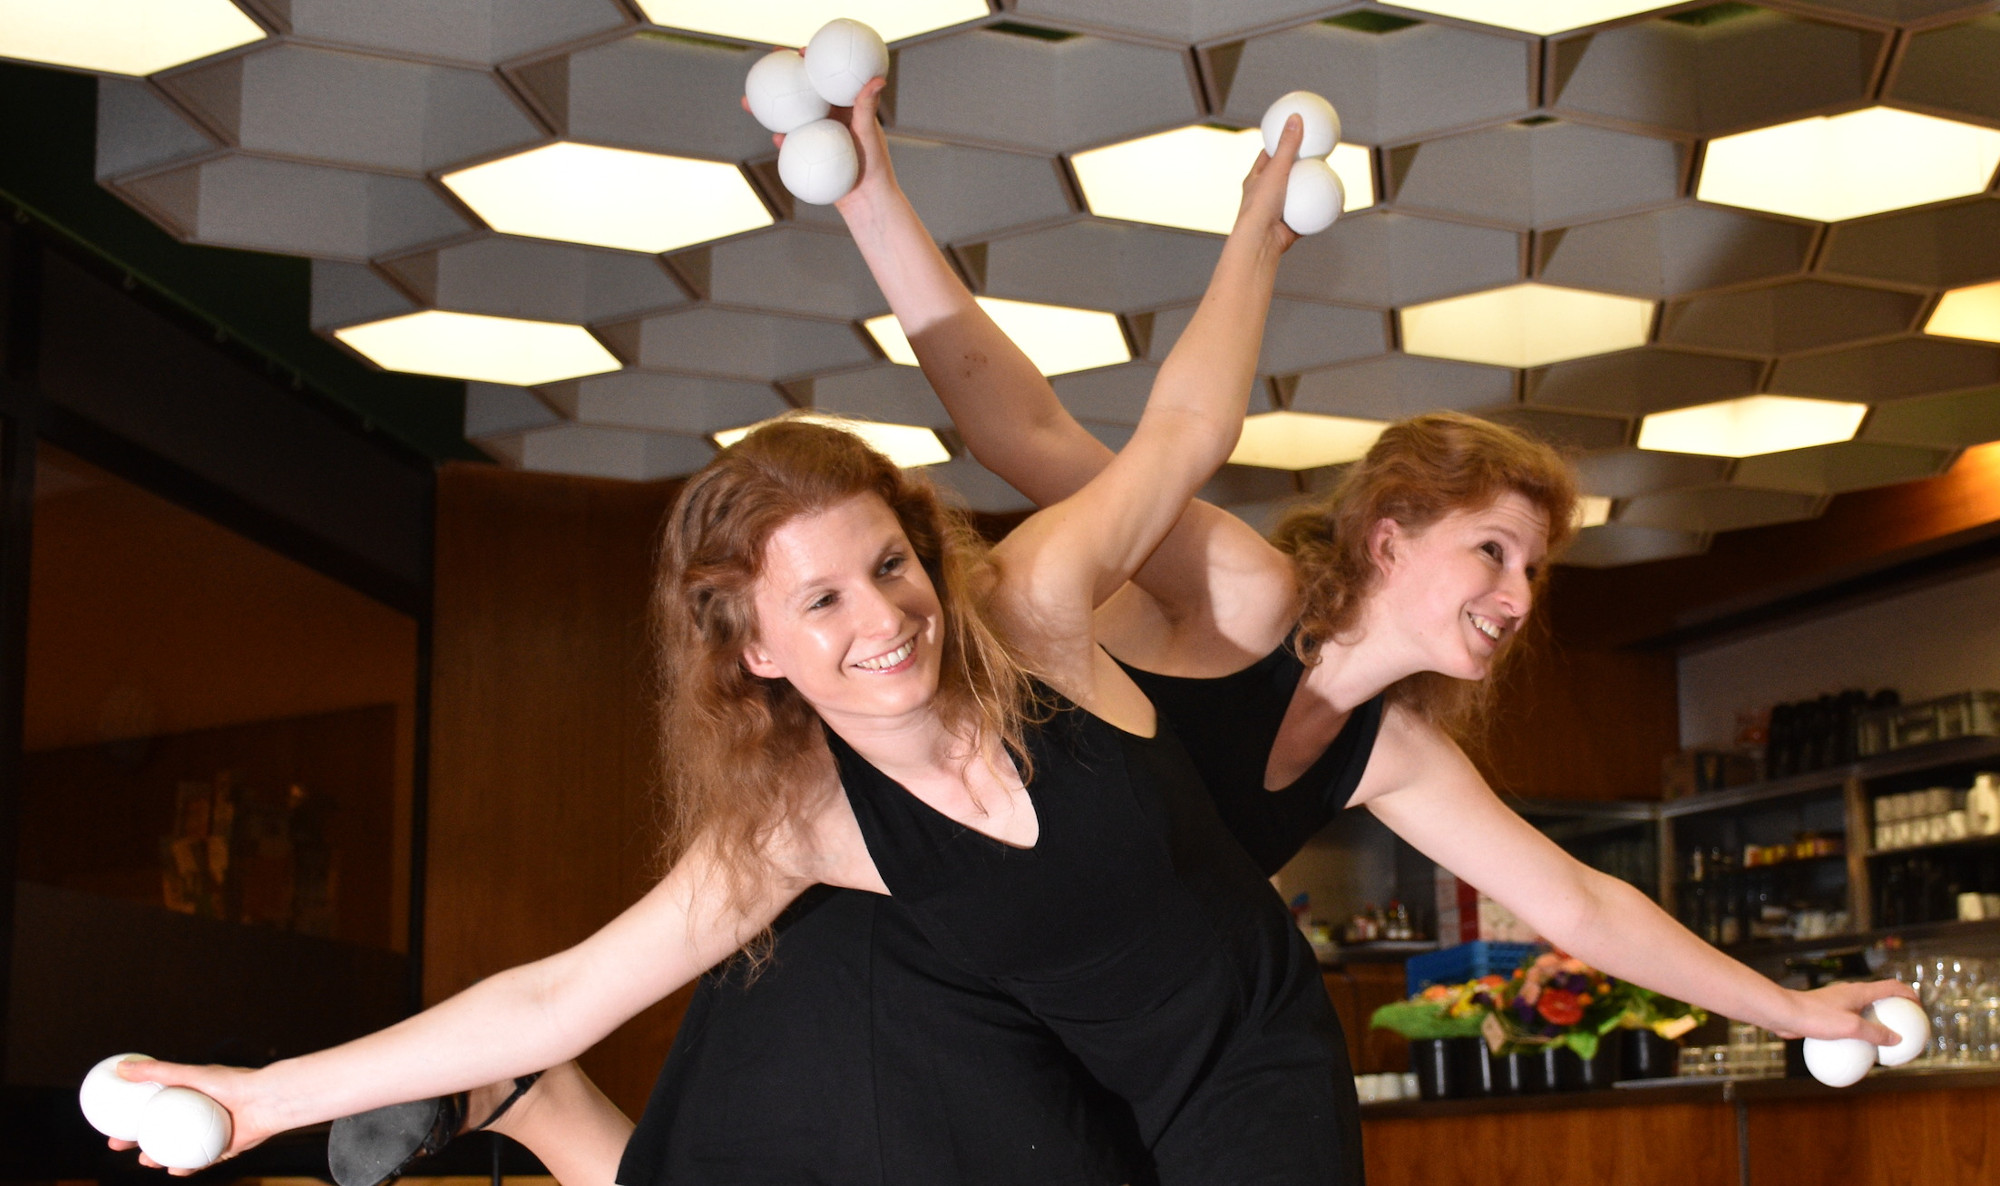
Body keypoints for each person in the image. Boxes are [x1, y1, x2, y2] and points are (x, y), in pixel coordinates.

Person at [310, 78, 1920, 1186]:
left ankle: (546, 1108)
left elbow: (1572, 897)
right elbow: (1018, 422)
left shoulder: (1388, 754)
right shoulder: (1228, 594)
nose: (1516, 595)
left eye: (1538, 573)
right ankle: (540, 1098)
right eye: (1496, 549)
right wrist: (875, 192)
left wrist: (1788, 1009)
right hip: (918, 934)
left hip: (1065, 1008)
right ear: (1391, 527)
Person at [114, 111, 1366, 1186]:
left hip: (1263, 1064)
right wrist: (262, 1098)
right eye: (818, 602)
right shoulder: (809, 825)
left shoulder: (1035, 621)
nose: (880, 618)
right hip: (1130, 1112)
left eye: (888, 566)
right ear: (755, 650)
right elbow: (556, 995)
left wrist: (1260, 221)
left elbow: (1185, 429)